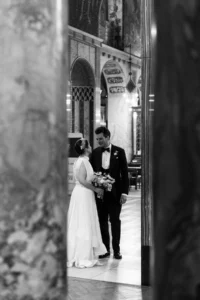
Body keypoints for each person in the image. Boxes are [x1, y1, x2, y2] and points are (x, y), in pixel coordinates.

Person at [67, 138, 107, 268]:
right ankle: (83, 256)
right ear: (85, 148)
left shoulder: (79, 161)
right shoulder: (84, 161)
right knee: (84, 221)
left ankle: (78, 252)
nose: (91, 146)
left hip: (79, 193)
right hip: (83, 193)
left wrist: (99, 179)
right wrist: (96, 188)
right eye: (89, 145)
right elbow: (82, 180)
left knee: (78, 222)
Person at [90, 126, 129, 260]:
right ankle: (105, 249)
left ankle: (116, 250)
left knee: (115, 222)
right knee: (102, 222)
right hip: (100, 194)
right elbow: (92, 174)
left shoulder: (120, 151)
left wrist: (124, 193)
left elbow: (124, 174)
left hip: (115, 194)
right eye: (97, 139)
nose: (99, 141)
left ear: (108, 137)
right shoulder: (94, 153)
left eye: (101, 139)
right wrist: (96, 188)